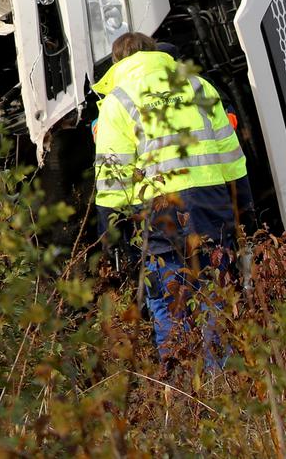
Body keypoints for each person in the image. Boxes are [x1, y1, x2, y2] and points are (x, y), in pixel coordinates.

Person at [92, 31, 252, 368]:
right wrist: (244, 204)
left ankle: (179, 392)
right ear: (157, 52)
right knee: (213, 291)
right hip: (210, 202)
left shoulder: (117, 101)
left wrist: (110, 231)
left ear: (118, 62)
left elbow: (113, 175)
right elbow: (230, 152)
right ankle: (220, 381)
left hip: (159, 213)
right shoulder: (199, 86)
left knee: (167, 301)